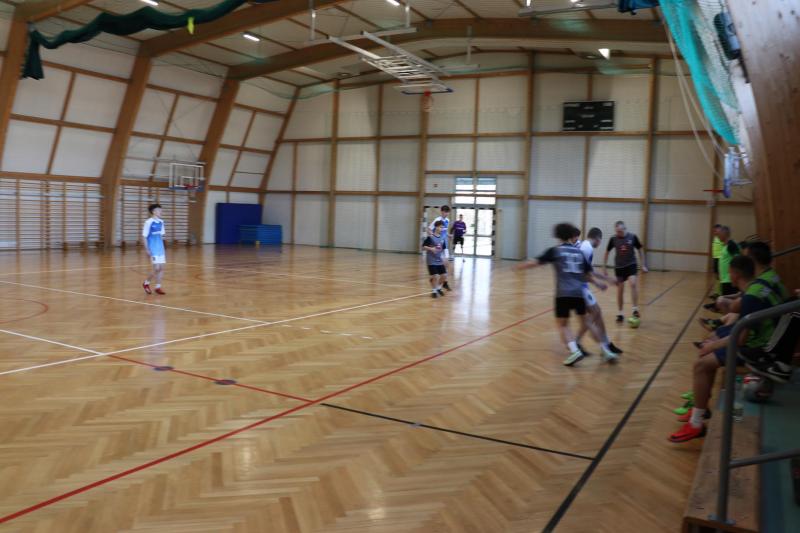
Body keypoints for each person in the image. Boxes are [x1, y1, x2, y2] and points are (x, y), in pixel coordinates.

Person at [669, 255, 783, 443]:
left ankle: (696, 424)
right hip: (766, 341)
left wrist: (712, 346)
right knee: (710, 349)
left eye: (729, 272)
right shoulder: (757, 287)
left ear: (736, 275)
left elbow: (740, 339)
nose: (728, 275)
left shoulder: (751, 297)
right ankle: (701, 407)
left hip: (760, 349)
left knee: (701, 364)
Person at [517, 223, 613, 366]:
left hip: (563, 293)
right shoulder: (579, 252)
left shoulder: (555, 251)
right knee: (587, 322)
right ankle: (604, 349)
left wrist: (519, 267)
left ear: (558, 235)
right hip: (579, 293)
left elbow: (536, 262)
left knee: (562, 325)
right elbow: (589, 274)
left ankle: (575, 351)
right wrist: (600, 284)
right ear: (571, 235)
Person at [574, 227, 623, 358]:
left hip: (580, 285)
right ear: (597, 239)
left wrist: (608, 279)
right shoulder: (587, 249)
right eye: (600, 241)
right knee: (594, 314)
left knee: (597, 313)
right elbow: (583, 273)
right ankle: (577, 342)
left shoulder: (584, 246)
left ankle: (606, 344)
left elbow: (590, 271)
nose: (600, 244)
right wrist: (597, 283)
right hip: (579, 287)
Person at [603, 221, 648, 323]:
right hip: (619, 267)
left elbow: (640, 249)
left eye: (620, 231)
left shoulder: (633, 237)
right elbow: (607, 252)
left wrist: (643, 264)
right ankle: (620, 313)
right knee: (620, 289)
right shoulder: (613, 239)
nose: (618, 233)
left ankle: (635, 309)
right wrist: (604, 267)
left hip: (631, 265)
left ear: (624, 229)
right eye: (617, 231)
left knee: (633, 283)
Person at [142, 203, 167, 295]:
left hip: (160, 248)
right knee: (156, 268)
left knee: (161, 268)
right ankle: (146, 283)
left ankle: (158, 287)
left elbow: (162, 235)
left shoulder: (161, 222)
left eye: (161, 210)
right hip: (153, 248)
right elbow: (144, 236)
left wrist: (164, 247)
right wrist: (147, 249)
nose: (161, 212)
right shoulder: (148, 222)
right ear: (154, 211)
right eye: (159, 210)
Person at [422, 220, 448, 298]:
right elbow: (423, 247)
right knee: (436, 276)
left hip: (439, 260)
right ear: (436, 227)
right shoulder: (430, 237)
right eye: (440, 227)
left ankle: (439, 288)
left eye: (443, 228)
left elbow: (443, 249)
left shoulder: (442, 238)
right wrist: (431, 249)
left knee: (444, 275)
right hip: (431, 260)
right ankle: (434, 291)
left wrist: (444, 258)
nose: (442, 229)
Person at [429, 205, 453, 288]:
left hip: (444, 244)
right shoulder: (437, 220)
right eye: (445, 212)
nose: (446, 214)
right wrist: (433, 237)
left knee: (446, 264)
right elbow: (429, 229)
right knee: (441, 263)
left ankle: (444, 281)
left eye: (448, 212)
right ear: (441, 212)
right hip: (437, 245)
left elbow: (444, 231)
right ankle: (437, 280)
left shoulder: (447, 220)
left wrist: (449, 235)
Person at [710, 224, 724, 299]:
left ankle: (720, 293)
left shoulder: (722, 239)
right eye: (714, 230)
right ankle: (717, 292)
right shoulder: (715, 238)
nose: (715, 232)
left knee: (720, 277)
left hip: (721, 259)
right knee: (716, 277)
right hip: (715, 259)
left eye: (716, 230)